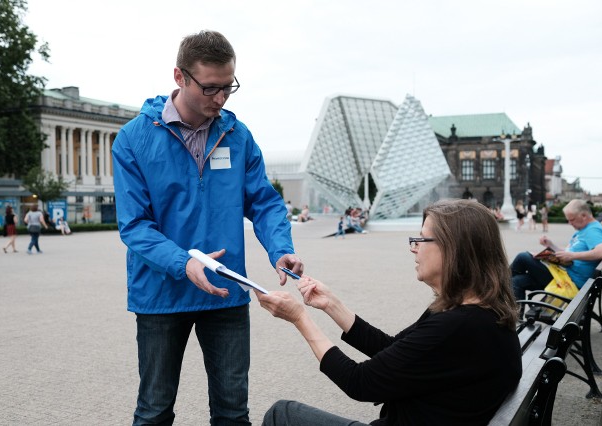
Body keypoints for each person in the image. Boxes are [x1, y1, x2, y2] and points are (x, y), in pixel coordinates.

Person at [111, 30, 303, 426]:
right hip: (161, 295)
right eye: (211, 88)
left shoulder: (238, 135)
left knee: (233, 413)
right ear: (180, 77)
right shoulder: (132, 139)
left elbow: (264, 203)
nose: (221, 99)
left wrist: (280, 248)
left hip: (226, 293)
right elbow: (135, 225)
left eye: (228, 87)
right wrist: (184, 264)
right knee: (154, 411)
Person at [257, 199, 521, 425]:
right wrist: (331, 304)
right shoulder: (476, 312)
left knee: (282, 414)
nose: (413, 247)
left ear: (453, 249)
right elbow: (393, 348)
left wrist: (300, 318)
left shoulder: (456, 326)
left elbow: (359, 382)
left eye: (421, 239)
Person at [511, 199, 602, 302]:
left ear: (584, 216)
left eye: (571, 219)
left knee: (523, 257)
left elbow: (601, 251)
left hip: (569, 281)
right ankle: (514, 317)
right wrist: (551, 245)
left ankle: (498, 290)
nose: (569, 223)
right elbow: (567, 252)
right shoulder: (584, 229)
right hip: (564, 276)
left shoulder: (593, 230)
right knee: (516, 282)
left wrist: (572, 256)